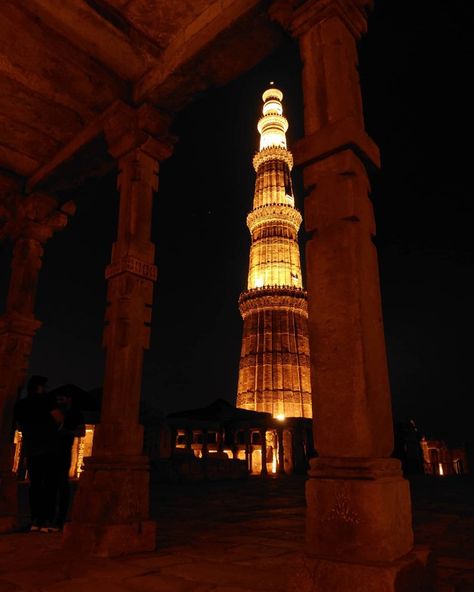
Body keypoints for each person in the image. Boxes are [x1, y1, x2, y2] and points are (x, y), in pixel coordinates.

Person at [14, 376, 64, 532]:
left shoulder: (21, 405)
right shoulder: (47, 401)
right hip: (49, 448)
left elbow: (19, 426)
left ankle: (35, 520)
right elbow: (59, 419)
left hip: (31, 448)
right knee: (50, 485)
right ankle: (48, 521)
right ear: (40, 388)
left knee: (35, 485)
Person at [54, 389, 85, 530]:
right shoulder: (54, 412)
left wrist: (63, 430)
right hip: (49, 450)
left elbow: (81, 432)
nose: (59, 402)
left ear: (69, 400)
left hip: (63, 450)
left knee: (62, 484)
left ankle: (60, 519)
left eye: (62, 399)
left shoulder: (75, 414)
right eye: (58, 399)